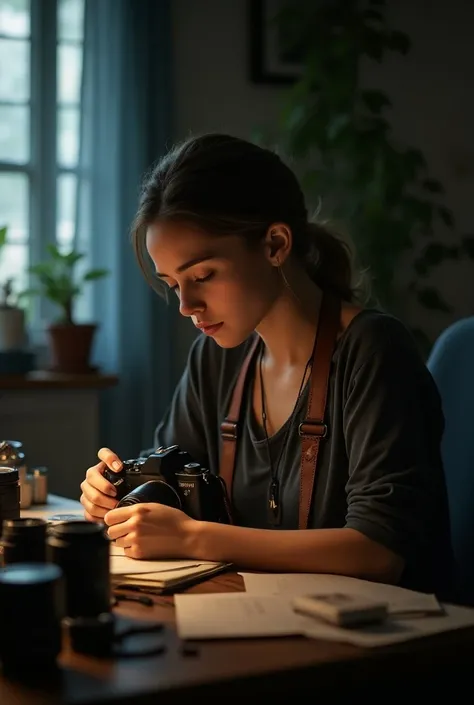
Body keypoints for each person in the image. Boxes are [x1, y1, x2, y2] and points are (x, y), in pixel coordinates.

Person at [79, 133, 454, 599]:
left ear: (275, 244)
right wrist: (120, 495)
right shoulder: (215, 357)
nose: (186, 305)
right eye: (173, 284)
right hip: (262, 615)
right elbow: (169, 480)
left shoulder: (373, 350)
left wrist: (194, 538)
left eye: (203, 276)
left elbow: (378, 553)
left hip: (390, 648)